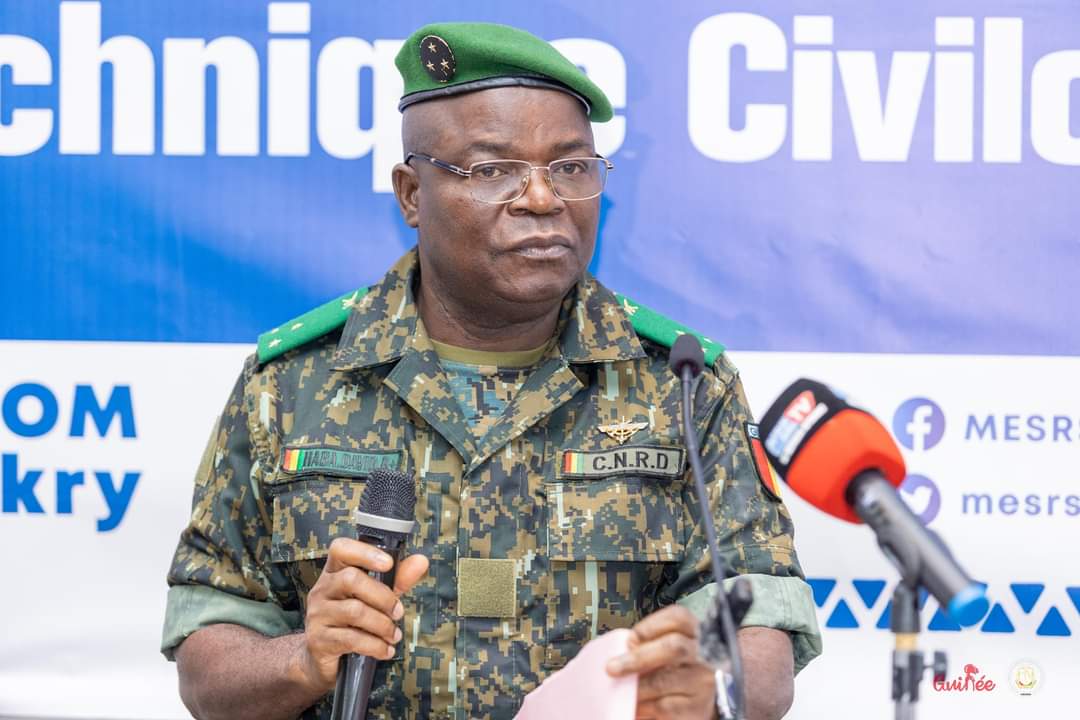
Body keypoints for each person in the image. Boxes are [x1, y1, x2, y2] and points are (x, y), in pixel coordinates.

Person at [161, 21, 821, 720]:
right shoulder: (291, 384)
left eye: (571, 168)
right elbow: (208, 658)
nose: (542, 198)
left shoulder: (683, 385)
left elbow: (762, 641)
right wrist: (302, 660)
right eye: (494, 170)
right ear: (412, 194)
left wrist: (711, 687)